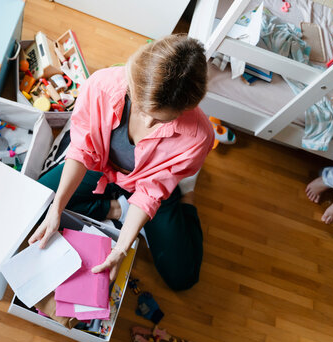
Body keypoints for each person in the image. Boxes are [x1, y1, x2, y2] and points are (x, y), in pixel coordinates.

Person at [29, 34, 215, 291]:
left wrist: (121, 247)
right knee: (38, 202)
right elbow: (82, 149)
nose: (148, 125)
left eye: (162, 120)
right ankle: (115, 209)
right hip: (101, 168)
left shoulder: (197, 137)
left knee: (183, 276)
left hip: (150, 186)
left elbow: (151, 191)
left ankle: (187, 199)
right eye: (141, 109)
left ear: (184, 110)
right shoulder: (102, 85)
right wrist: (56, 209)